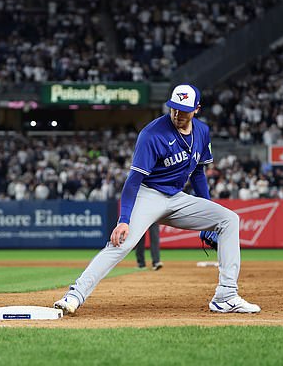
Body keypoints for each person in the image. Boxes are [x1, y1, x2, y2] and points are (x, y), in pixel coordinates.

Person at [54, 84, 260, 315]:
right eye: (174, 108)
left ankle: (226, 296)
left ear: (197, 109)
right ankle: (75, 294)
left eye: (183, 110)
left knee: (229, 219)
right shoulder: (152, 134)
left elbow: (199, 173)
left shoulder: (202, 132)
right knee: (122, 243)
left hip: (177, 197)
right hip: (148, 194)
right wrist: (124, 219)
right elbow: (133, 180)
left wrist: (208, 211)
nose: (177, 114)